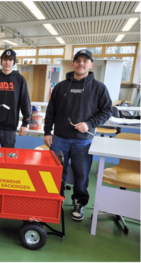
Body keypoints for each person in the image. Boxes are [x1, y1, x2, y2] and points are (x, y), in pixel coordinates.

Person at [44, 49, 113, 221]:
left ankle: (78, 203)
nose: (81, 63)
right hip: (59, 138)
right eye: (78, 60)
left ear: (90, 64)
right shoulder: (60, 87)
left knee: (81, 174)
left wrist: (89, 124)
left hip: (83, 141)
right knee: (57, 172)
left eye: (85, 61)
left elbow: (106, 112)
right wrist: (47, 132)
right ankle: (55, 199)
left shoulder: (99, 88)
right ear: (73, 63)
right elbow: (51, 111)